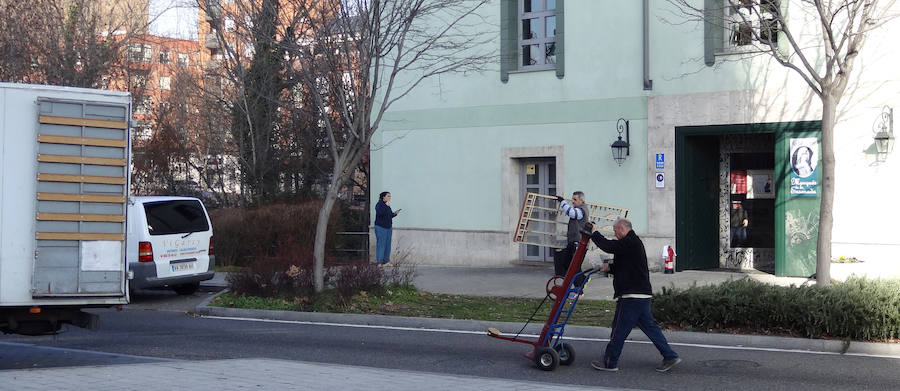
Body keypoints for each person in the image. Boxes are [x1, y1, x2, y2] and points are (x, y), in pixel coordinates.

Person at [587, 218, 681, 373]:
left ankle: (610, 362)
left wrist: (594, 233)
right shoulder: (632, 243)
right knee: (650, 328)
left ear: (622, 229)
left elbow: (609, 246)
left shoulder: (630, 242)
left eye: (616, 230)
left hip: (632, 295)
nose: (615, 234)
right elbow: (625, 265)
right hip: (641, 294)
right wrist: (608, 267)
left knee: (619, 329)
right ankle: (670, 355)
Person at [554, 191, 590, 287]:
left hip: (578, 243)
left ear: (581, 200)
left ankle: (579, 288)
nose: (573, 201)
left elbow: (571, 213)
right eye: (572, 199)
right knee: (567, 264)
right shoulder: (579, 208)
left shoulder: (581, 210)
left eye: (575, 199)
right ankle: (583, 280)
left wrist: (562, 202)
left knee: (574, 267)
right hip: (573, 242)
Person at [374, 191, 400, 265]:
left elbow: (389, 215)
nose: (389, 198)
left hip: (388, 227)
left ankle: (386, 261)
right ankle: (379, 262)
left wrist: (395, 214)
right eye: (388, 196)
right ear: (383, 197)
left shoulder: (387, 205)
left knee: (387, 245)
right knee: (381, 245)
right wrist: (387, 206)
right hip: (381, 227)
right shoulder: (379, 204)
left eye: (390, 196)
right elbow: (380, 213)